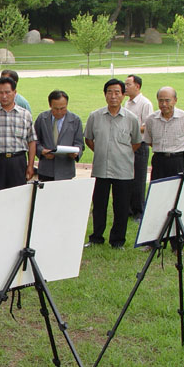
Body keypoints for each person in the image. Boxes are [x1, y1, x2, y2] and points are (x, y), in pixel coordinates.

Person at [85, 78, 141, 249]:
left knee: (121, 207)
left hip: (123, 170)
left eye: (117, 92)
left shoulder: (131, 119)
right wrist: (104, 151)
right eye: (109, 92)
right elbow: (89, 140)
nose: (113, 96)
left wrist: (120, 153)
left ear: (123, 95)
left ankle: (117, 241)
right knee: (99, 205)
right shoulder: (95, 116)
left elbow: (136, 143)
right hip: (101, 168)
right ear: (104, 94)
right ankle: (96, 237)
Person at [0, 76, 37, 192]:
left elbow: (31, 141)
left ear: (15, 92)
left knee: (18, 197)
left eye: (7, 92)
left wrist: (30, 165)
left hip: (18, 161)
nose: (4, 96)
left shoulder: (25, 115)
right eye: (0, 93)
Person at [143, 87, 184, 181]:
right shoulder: (151, 119)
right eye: (160, 101)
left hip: (178, 161)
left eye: (167, 100)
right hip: (159, 161)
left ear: (175, 100)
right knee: (158, 191)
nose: (164, 104)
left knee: (178, 192)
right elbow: (149, 141)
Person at [33, 89, 84, 181]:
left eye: (63, 108)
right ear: (50, 105)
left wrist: (76, 154)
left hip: (65, 170)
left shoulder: (75, 120)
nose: (59, 112)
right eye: (56, 109)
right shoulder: (42, 119)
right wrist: (42, 151)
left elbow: (79, 143)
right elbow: (34, 141)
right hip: (46, 169)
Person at [125, 75, 154, 221]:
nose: (125, 87)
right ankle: (129, 208)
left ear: (137, 86)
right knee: (128, 177)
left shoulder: (145, 103)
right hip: (127, 145)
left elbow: (147, 126)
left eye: (128, 84)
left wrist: (132, 130)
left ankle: (139, 211)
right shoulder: (127, 103)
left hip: (140, 145)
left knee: (139, 179)